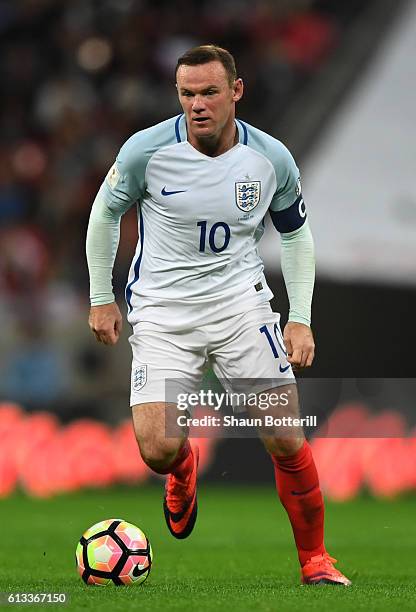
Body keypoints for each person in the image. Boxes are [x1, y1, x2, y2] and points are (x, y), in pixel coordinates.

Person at [86, 44, 351, 586]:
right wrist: (100, 296)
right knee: (158, 450)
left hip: (241, 306)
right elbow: (104, 213)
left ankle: (316, 560)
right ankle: (182, 469)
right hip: (163, 312)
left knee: (285, 436)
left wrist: (298, 315)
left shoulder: (270, 158)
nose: (197, 104)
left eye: (209, 92)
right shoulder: (145, 151)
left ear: (236, 91)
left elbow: (295, 234)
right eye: (187, 93)